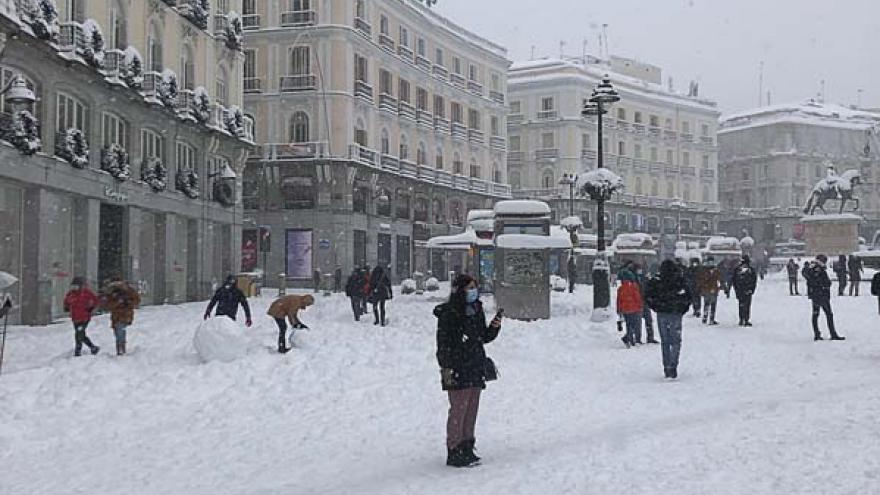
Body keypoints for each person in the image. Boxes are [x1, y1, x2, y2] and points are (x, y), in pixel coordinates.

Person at [434, 274, 502, 467]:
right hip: (458, 367)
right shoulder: (450, 313)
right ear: (460, 290)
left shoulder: (476, 309)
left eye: (475, 287)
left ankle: (467, 446)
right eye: (470, 287)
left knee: (471, 408)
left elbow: (482, 337)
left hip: (474, 365)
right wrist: (448, 367)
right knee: (459, 409)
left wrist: (494, 328)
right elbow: (444, 344)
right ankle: (454, 449)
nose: (473, 290)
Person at [645, 260, 691, 379]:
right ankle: (673, 365)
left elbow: (648, 295)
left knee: (665, 341)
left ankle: (666, 366)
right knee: (676, 341)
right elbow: (688, 295)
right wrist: (682, 308)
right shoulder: (679, 280)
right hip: (676, 313)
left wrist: (656, 307)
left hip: (662, 313)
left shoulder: (657, 280)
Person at [804, 255, 845, 341]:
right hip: (821, 294)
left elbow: (809, 279)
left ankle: (817, 334)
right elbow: (818, 280)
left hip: (816, 295)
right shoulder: (817, 268)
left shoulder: (812, 267)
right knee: (828, 314)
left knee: (816, 314)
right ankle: (832, 333)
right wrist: (825, 285)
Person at [63, 277, 101, 357]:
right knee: (81, 334)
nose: (74, 288)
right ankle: (93, 347)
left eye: (76, 286)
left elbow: (96, 300)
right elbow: (66, 301)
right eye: (73, 286)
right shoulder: (71, 294)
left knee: (79, 333)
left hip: (84, 317)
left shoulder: (86, 293)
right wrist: (66, 307)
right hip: (75, 317)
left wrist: (91, 308)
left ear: (80, 286)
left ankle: (78, 351)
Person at [102, 278, 141, 356]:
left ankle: (121, 348)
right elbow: (107, 305)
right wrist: (117, 303)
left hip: (125, 314)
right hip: (116, 316)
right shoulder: (112, 292)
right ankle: (120, 347)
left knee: (120, 330)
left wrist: (128, 302)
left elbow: (136, 300)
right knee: (118, 331)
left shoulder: (129, 291)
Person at [616, 262, 643, 348]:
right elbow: (637, 298)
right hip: (634, 308)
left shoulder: (621, 288)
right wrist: (640, 306)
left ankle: (629, 339)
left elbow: (619, 300)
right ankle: (629, 338)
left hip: (625, 309)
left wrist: (619, 310)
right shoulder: (634, 286)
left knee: (628, 324)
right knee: (634, 325)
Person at [733, 255, 757, 326]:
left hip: (742, 290)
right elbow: (754, 280)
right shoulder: (749, 270)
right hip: (746, 290)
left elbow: (734, 281)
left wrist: (737, 290)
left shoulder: (738, 269)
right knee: (746, 305)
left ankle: (743, 319)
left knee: (742, 305)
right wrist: (752, 289)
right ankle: (745, 319)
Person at [636, 264, 657, 343]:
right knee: (639, 321)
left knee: (648, 320)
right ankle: (638, 338)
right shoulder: (635, 279)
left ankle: (650, 337)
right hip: (639, 302)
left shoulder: (644, 279)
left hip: (644, 301)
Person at [697, 256, 721, 325]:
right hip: (711, 289)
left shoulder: (704, 270)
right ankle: (710, 319)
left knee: (707, 304)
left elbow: (700, 280)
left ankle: (706, 318)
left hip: (708, 289)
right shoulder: (714, 270)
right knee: (711, 304)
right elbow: (719, 279)